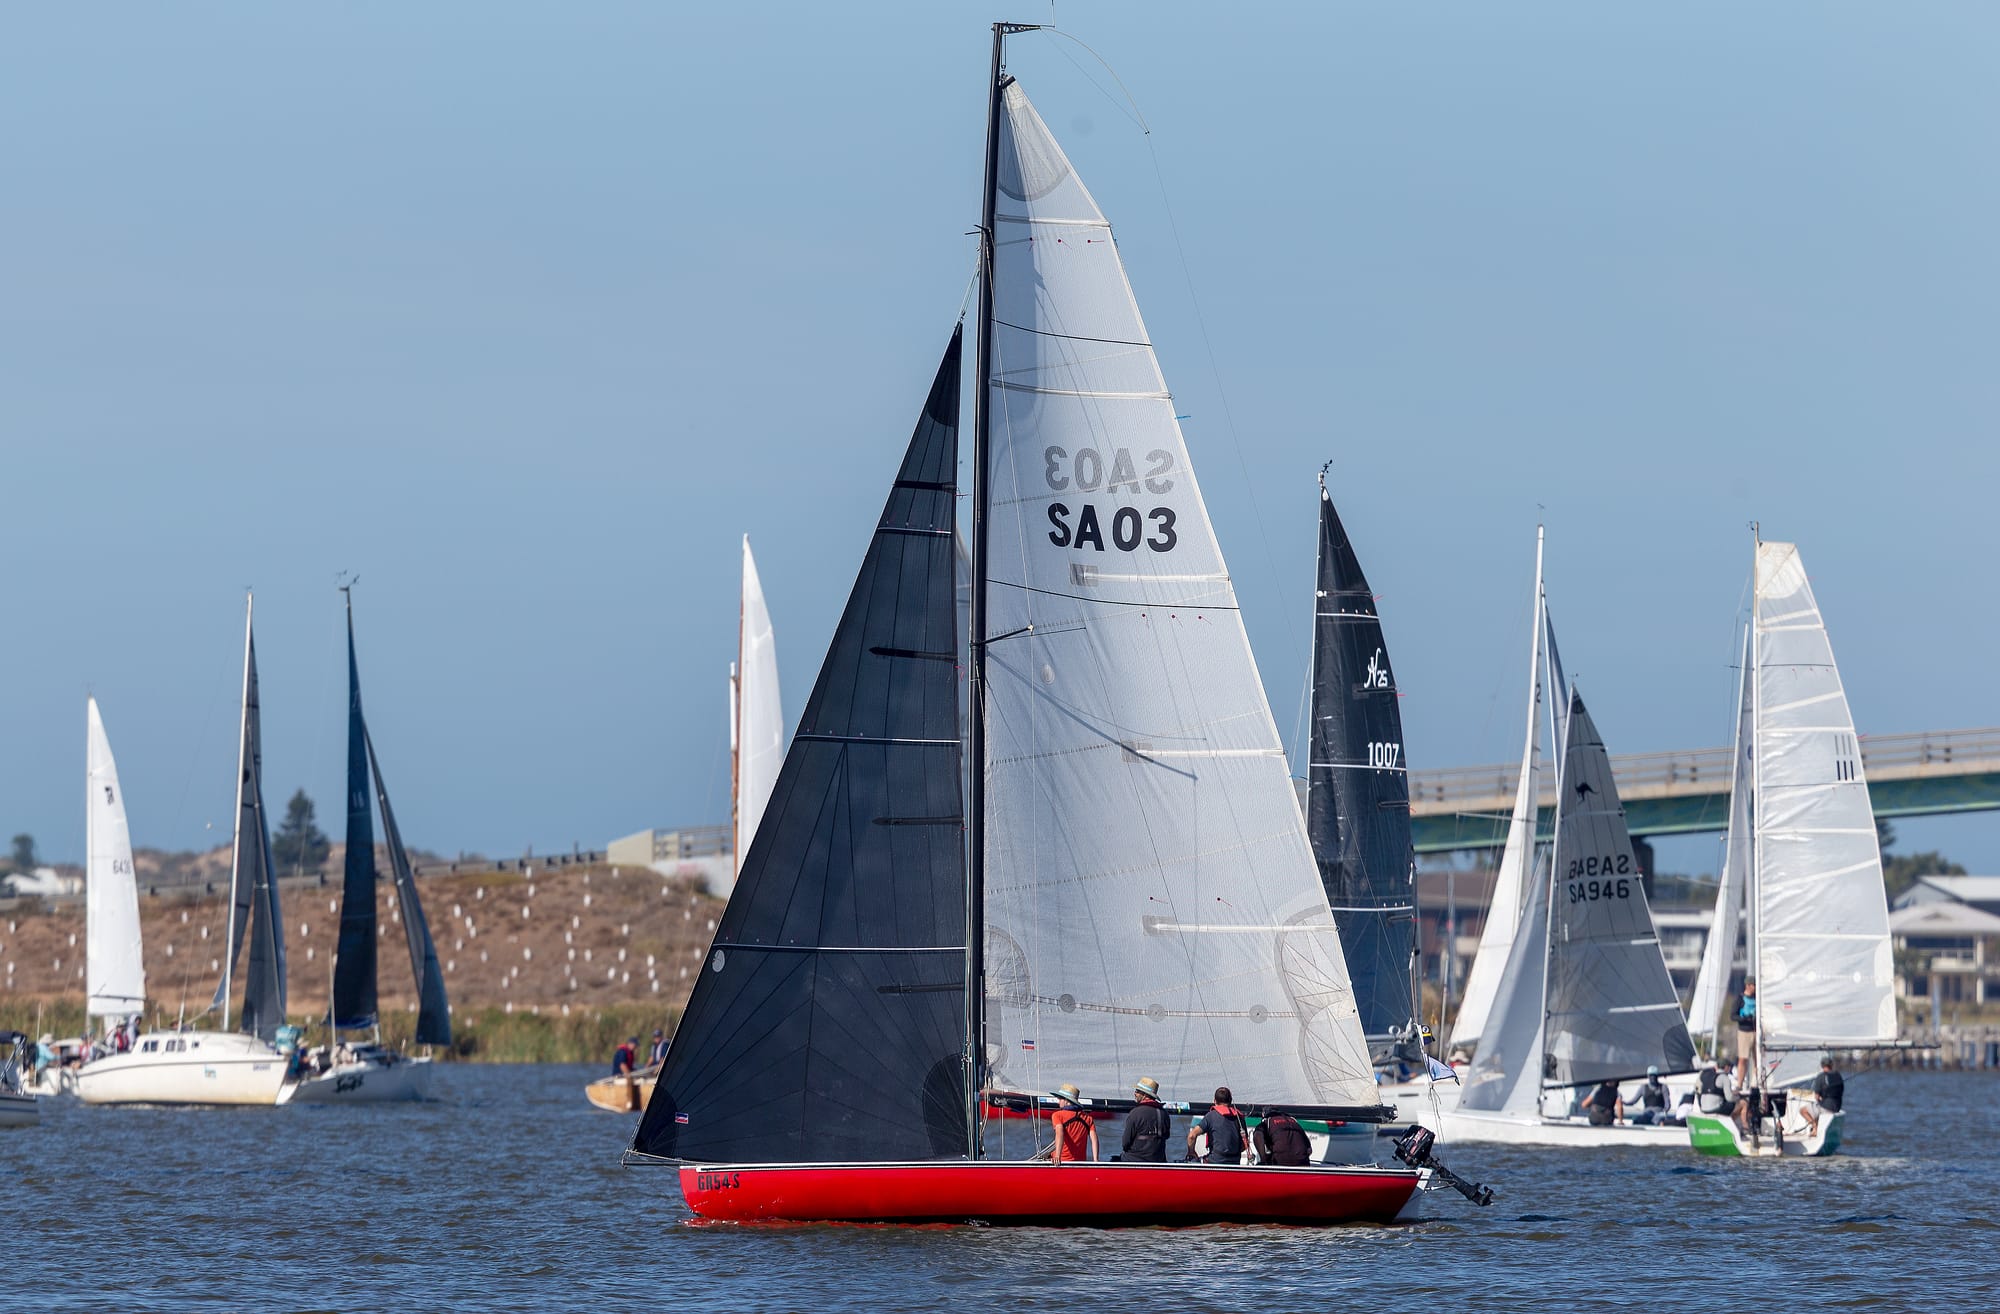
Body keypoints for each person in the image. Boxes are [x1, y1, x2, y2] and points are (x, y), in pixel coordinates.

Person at [1187, 1086, 1249, 1164]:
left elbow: (1191, 1136)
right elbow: (1245, 1145)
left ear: (1215, 1101)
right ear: (1230, 1101)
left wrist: (1191, 1152)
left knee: (1191, 1161)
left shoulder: (1211, 1116)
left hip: (1214, 1161)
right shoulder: (1239, 1118)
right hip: (1234, 1162)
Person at [1120, 1076, 1171, 1163]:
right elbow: (1166, 1136)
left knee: (1114, 1159)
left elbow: (1125, 1143)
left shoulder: (1135, 1113)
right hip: (1158, 1160)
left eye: (1137, 1091)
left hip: (1134, 1160)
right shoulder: (1164, 1113)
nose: (1135, 1093)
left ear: (1145, 1095)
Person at [1050, 1083, 1097, 1164]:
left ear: (1067, 1101)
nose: (1058, 1102)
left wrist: (1057, 1156)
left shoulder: (1057, 1115)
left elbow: (1059, 1134)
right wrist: (1096, 1159)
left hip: (1063, 1160)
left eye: (1060, 1099)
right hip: (1080, 1162)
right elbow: (1094, 1139)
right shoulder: (1088, 1118)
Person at [1800, 1057, 1844, 1133]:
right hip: (1837, 1107)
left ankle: (1815, 1127)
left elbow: (1816, 1097)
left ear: (1822, 1066)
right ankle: (1817, 1128)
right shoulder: (1838, 1075)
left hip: (1826, 1108)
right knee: (1818, 1107)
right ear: (1831, 1065)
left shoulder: (1820, 1076)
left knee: (1803, 1110)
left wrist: (1821, 1098)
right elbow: (1841, 1091)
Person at [1733, 979, 1758, 1086]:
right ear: (1748, 985)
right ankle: (1740, 1084)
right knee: (1743, 1058)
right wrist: (1744, 1018)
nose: (1755, 988)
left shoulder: (1757, 998)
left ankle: (1755, 1083)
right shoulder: (1740, 999)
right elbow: (1733, 1015)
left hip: (1756, 1031)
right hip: (1744, 1032)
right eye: (1753, 985)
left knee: (1758, 1059)